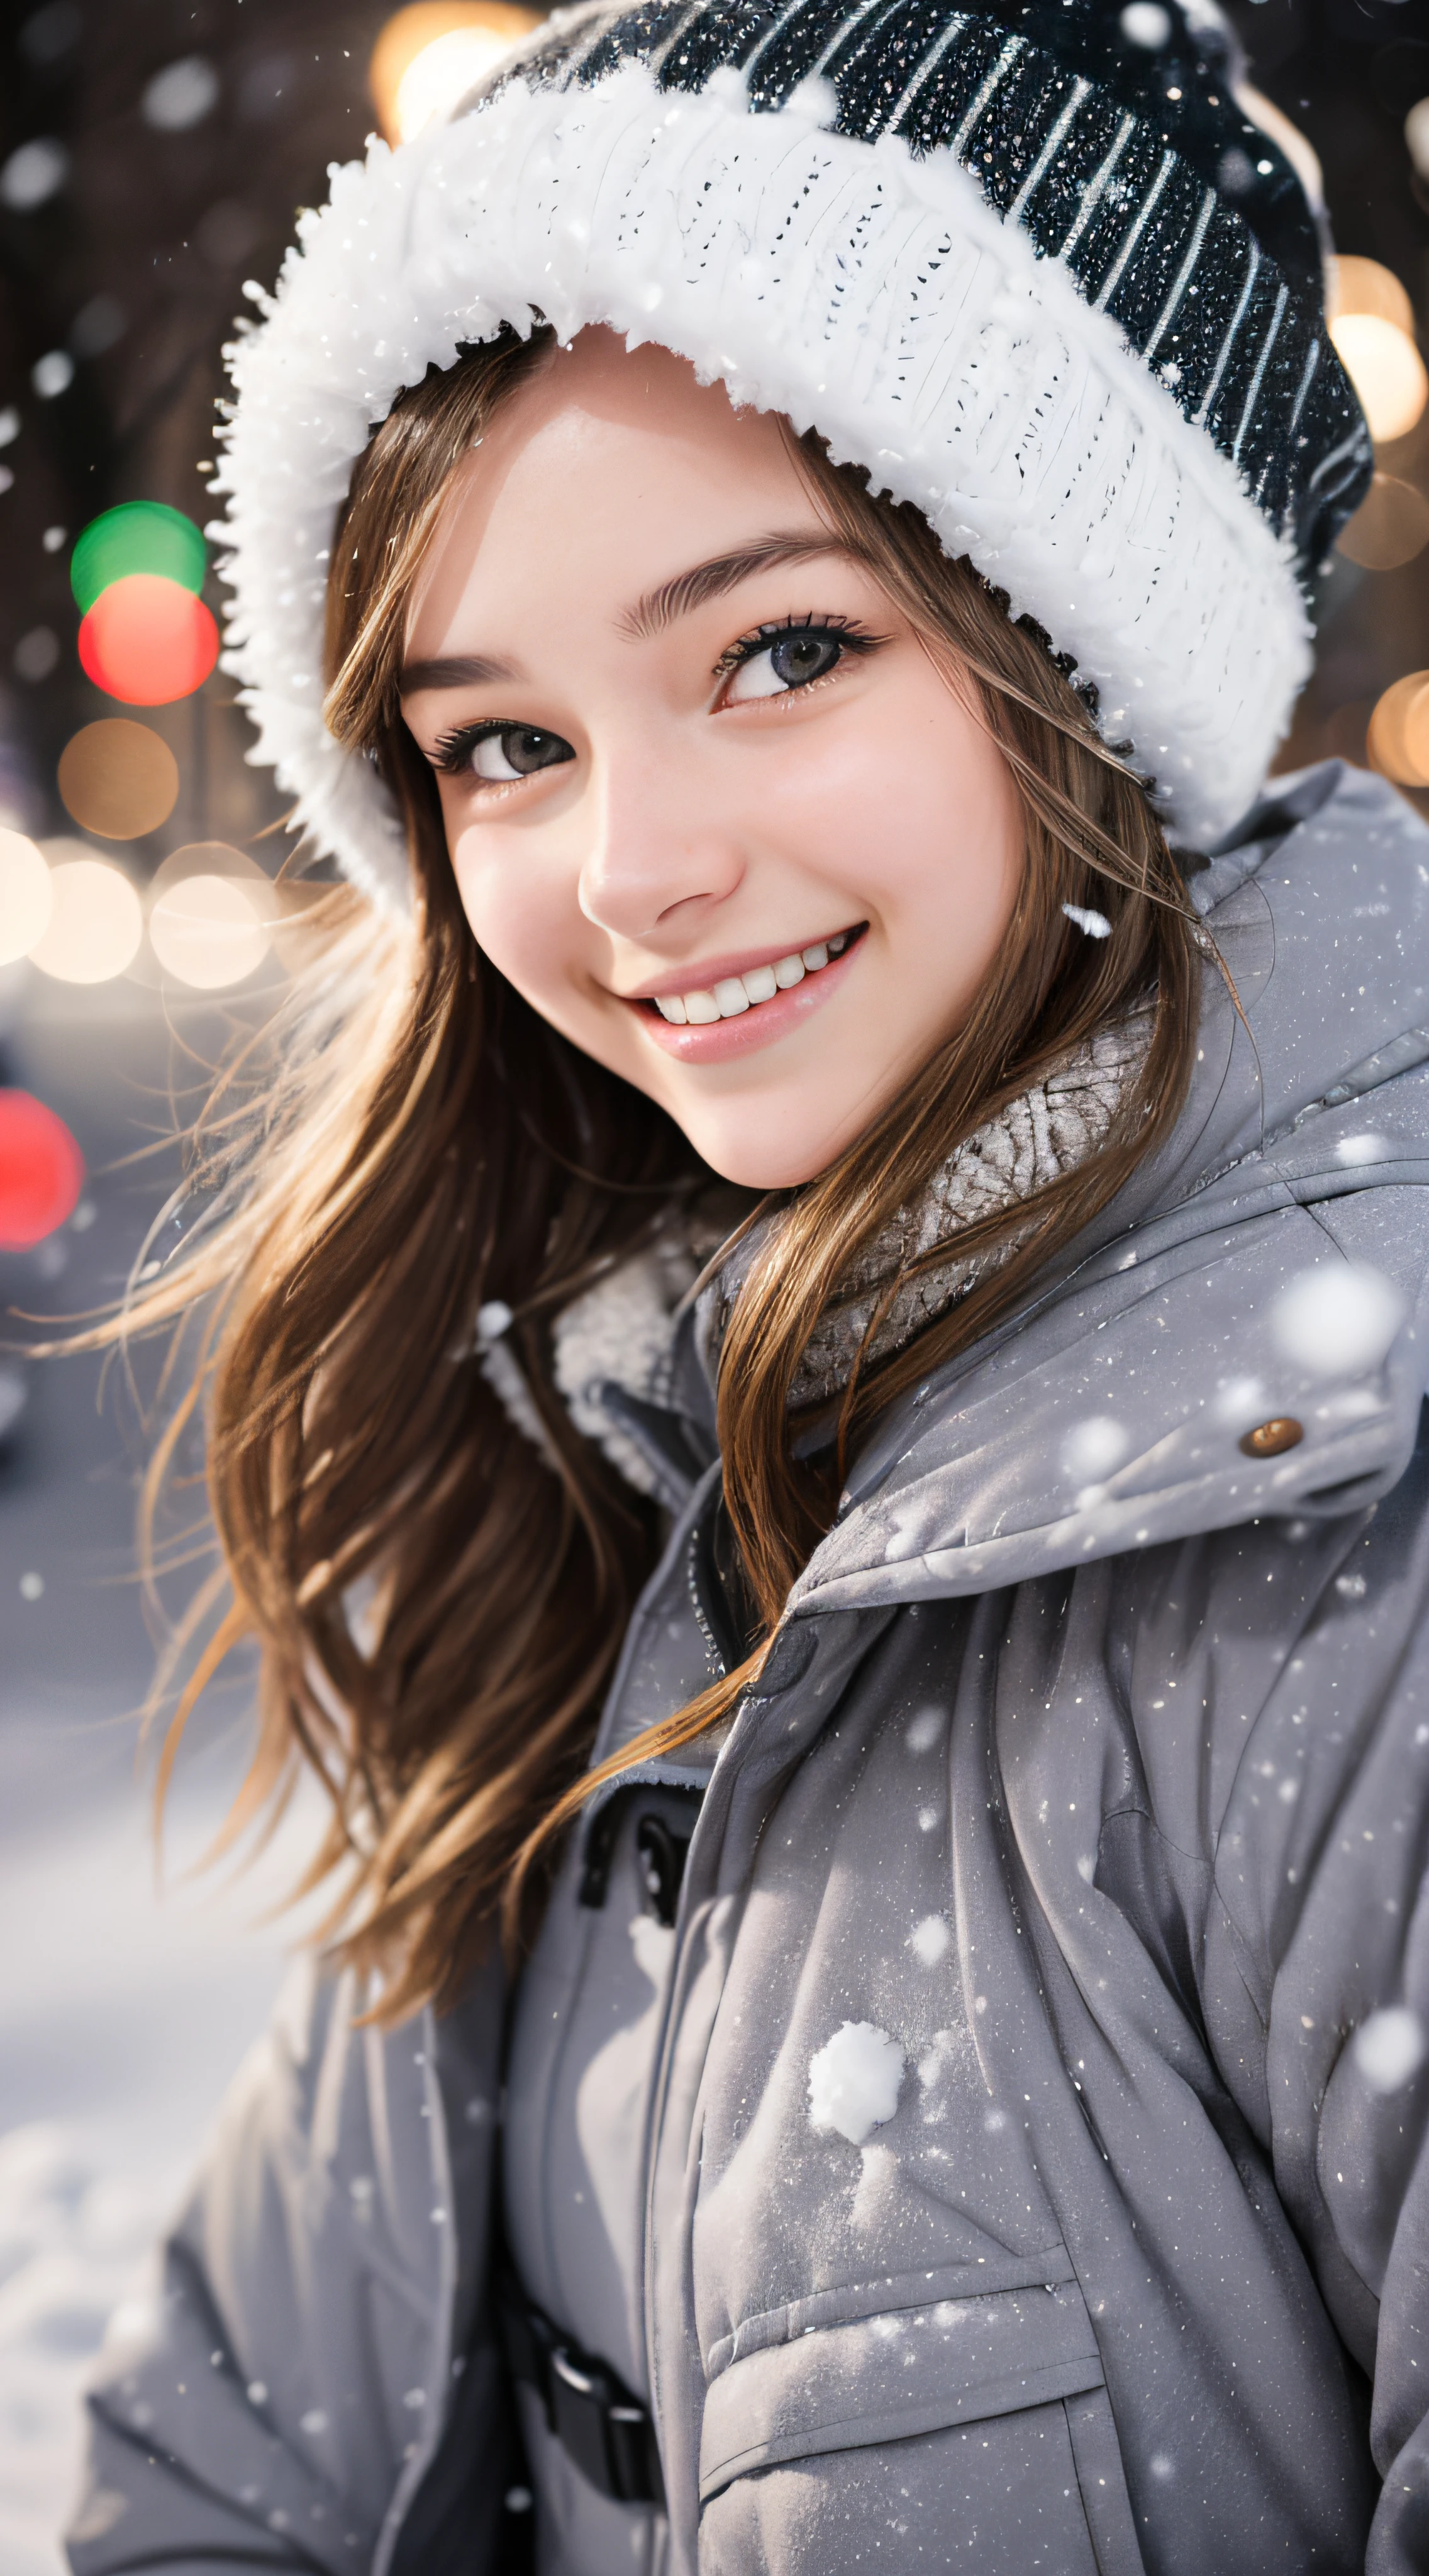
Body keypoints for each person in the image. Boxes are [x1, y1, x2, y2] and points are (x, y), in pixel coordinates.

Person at [62, 0, 1429, 2569]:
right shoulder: (603, 1420)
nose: (627, 871)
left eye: (779, 653)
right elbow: (221, 2468)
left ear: (1079, 673)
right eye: (500, 744)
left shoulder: (1357, 1523)